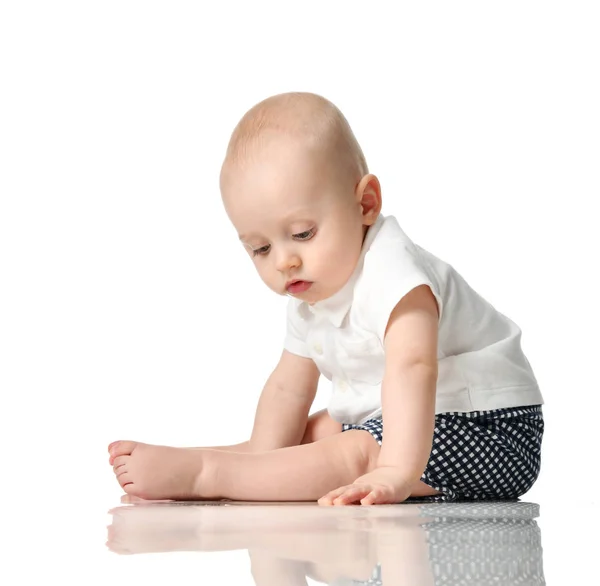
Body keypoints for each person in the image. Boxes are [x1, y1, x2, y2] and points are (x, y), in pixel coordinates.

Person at [108, 92, 544, 505]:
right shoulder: (309, 296)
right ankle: (238, 464)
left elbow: (414, 369)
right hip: (396, 418)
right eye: (261, 249)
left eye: (301, 234)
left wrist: (394, 470)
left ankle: (207, 474)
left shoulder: (396, 274)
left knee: (353, 453)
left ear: (365, 204)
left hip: (489, 427)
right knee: (312, 432)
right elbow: (286, 390)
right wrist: (264, 451)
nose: (284, 261)